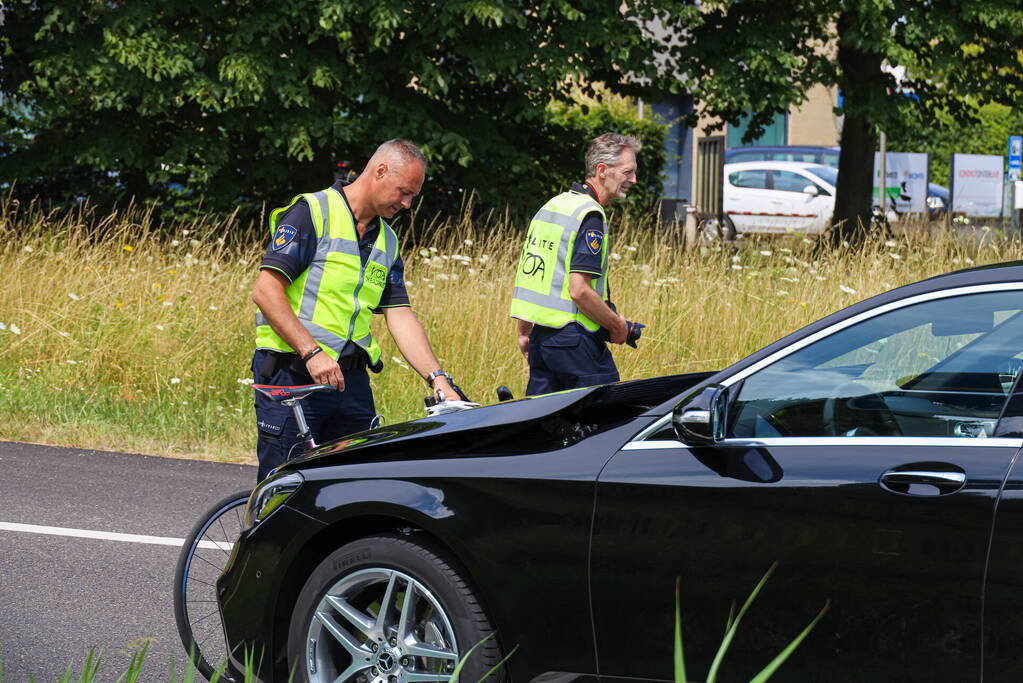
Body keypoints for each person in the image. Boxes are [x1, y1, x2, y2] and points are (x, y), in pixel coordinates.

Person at [251, 139, 461, 481]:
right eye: (404, 191)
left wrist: (438, 380)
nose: (408, 204)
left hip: (348, 381)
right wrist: (312, 352)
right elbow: (266, 291)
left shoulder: (386, 240)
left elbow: (399, 315)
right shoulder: (313, 212)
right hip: (295, 374)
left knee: (356, 487)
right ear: (379, 171)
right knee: (285, 491)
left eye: (413, 196)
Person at [510, 132, 643, 395]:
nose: (634, 180)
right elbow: (579, 290)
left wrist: (525, 331)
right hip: (575, 340)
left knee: (544, 426)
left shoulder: (553, 205)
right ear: (602, 170)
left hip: (542, 339)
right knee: (607, 421)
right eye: (628, 172)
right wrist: (617, 325)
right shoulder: (590, 215)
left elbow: (534, 275)